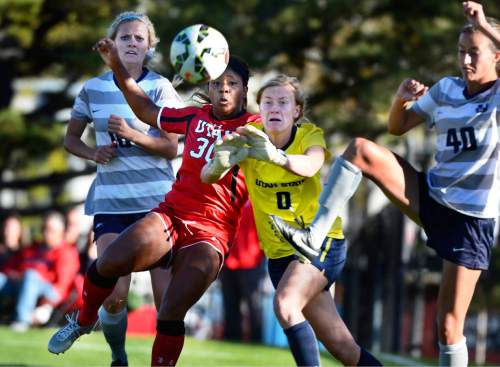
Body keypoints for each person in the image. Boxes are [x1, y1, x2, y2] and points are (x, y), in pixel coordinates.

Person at [270, 2, 499, 366]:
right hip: (431, 196)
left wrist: (484, 24)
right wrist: (400, 100)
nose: (466, 61)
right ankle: (315, 235)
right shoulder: (447, 90)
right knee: (361, 149)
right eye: (461, 52)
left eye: (474, 53)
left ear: (496, 56)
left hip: (469, 220)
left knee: (448, 328)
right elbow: (397, 127)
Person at [48, 32, 259, 365]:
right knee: (109, 262)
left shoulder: (255, 127)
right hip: (170, 215)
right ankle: (85, 320)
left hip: (210, 235)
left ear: (245, 90)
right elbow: (145, 108)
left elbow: (292, 148)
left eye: (232, 84)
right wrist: (116, 64)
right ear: (208, 86)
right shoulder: (194, 116)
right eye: (218, 83)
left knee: (170, 311)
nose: (224, 90)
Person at [201, 74, 381, 366]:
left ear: (297, 111)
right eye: (268, 102)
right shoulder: (250, 135)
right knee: (343, 347)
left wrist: (276, 157)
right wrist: (219, 162)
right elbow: (208, 176)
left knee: (285, 305)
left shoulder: (309, 134)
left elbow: (310, 166)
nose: (275, 108)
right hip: (280, 257)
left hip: (319, 244)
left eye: (283, 102)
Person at [60, 11, 184, 366]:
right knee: (114, 296)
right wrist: (92, 152)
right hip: (112, 204)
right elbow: (70, 139)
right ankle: (118, 356)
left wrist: (133, 135)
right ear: (112, 43)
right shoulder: (93, 88)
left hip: (157, 207)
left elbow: (171, 147)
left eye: (139, 38)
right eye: (125, 37)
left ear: (150, 47)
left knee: (167, 302)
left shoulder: (160, 88)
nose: (132, 43)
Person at [0, 211, 80, 332]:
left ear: (61, 232)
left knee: (31, 275)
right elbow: (9, 269)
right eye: (44, 228)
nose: (46, 233)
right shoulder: (32, 248)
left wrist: (46, 306)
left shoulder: (67, 253)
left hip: (47, 292)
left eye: (51, 230)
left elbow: (61, 290)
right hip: (20, 284)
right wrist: (14, 275)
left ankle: (22, 321)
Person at [219, 201, 264, 342]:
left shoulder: (257, 198)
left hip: (252, 261)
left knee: (253, 304)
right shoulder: (229, 198)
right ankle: (231, 338)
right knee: (229, 302)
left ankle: (256, 340)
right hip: (228, 260)